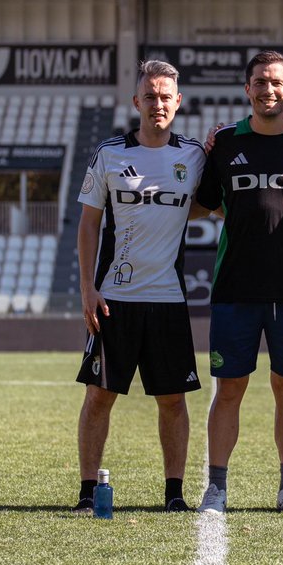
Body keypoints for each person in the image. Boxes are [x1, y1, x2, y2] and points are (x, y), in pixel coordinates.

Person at [193, 50, 283, 515]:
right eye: (259, 82)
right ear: (247, 89)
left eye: (276, 82)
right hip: (235, 287)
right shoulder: (225, 143)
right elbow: (202, 204)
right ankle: (216, 488)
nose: (268, 90)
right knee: (228, 389)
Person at [72, 59, 207, 513]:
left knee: (172, 398)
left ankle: (174, 493)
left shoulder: (193, 156)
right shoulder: (110, 153)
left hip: (167, 299)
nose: (158, 104)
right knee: (99, 395)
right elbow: (88, 224)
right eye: (150, 96)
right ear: (137, 102)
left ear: (178, 102)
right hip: (115, 299)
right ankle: (88, 491)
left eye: (166, 96)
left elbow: (214, 204)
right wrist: (88, 289)